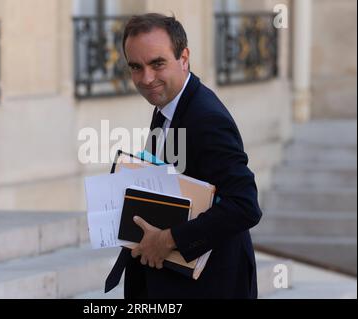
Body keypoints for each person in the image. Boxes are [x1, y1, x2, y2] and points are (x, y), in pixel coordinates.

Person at [105, 13, 262, 299]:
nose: (146, 78)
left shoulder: (207, 118)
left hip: (212, 285)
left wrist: (168, 240)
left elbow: (244, 204)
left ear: (184, 57)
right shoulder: (166, 103)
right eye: (136, 67)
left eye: (157, 64)